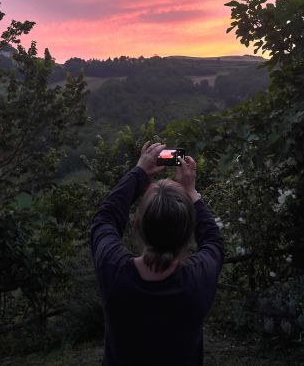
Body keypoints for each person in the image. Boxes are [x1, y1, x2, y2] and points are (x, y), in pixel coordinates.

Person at [90, 141, 224, 366]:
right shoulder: (197, 280)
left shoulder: (115, 271)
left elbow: (104, 220)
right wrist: (191, 192)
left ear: (137, 223)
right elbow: (213, 241)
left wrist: (139, 172)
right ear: (188, 230)